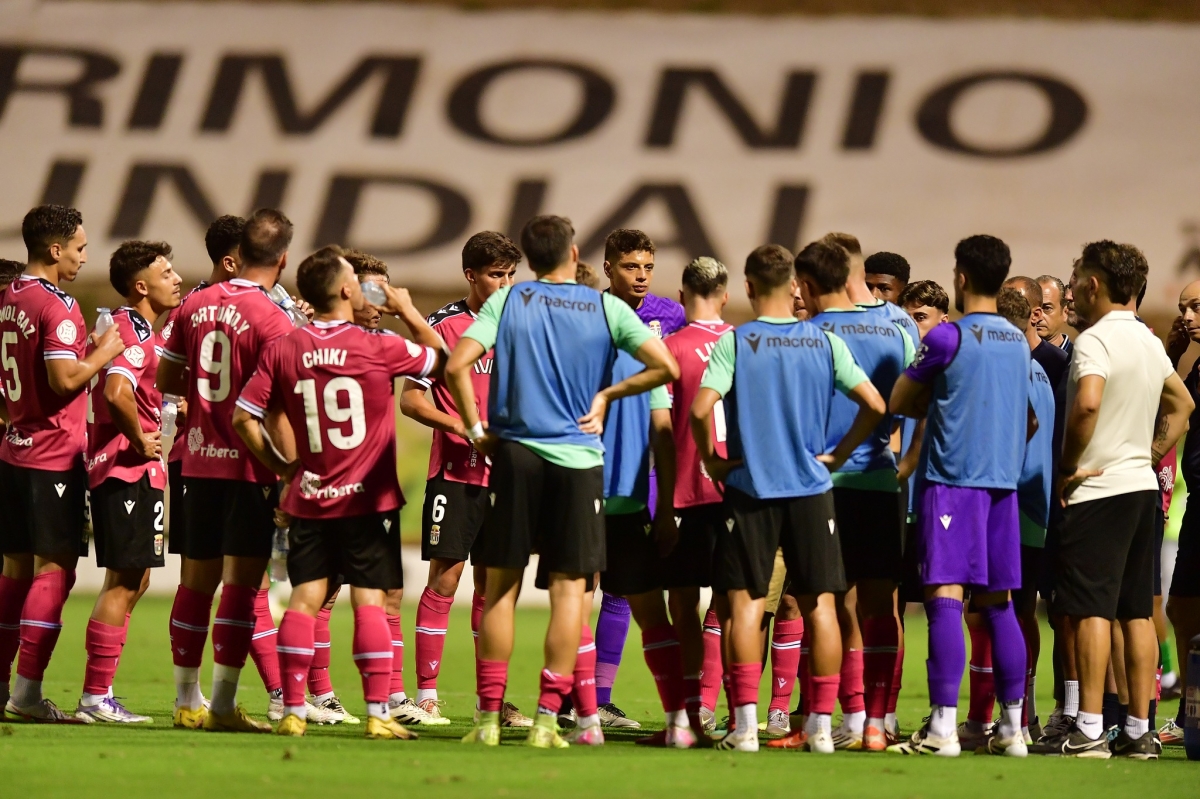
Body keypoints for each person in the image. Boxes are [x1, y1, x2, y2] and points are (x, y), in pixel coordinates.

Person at [450, 215, 678, 749]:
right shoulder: (607, 307)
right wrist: (606, 397)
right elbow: (664, 367)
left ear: (528, 259)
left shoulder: (508, 302)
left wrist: (477, 428)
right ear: (575, 254)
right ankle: (550, 718)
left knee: (500, 588)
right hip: (578, 462)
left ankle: (487, 720)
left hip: (517, 456)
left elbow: (458, 364)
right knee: (570, 591)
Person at [233, 245, 446, 740]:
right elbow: (445, 359)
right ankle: (377, 715)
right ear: (347, 289)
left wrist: (284, 469)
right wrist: (408, 309)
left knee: (305, 599)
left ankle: (291, 709)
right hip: (367, 499)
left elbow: (244, 416)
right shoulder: (379, 345)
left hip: (309, 494)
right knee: (370, 600)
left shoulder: (285, 346)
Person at [690, 244, 885, 753]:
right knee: (821, 604)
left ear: (749, 287)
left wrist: (713, 459)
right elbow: (875, 404)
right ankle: (821, 728)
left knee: (747, 605)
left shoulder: (737, 342)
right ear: (794, 286)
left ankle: (746, 727)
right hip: (813, 489)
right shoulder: (824, 343)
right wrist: (839, 455)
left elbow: (698, 408)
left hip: (753, 488)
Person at [1042, 241, 1193, 759]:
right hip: (1140, 490)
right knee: (1135, 613)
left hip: (1098, 489)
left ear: (1092, 284)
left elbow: (1086, 403)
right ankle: (1137, 730)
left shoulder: (1096, 340)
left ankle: (1087, 730)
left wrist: (1067, 467)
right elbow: (1183, 403)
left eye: (1079, 277)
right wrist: (1148, 455)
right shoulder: (1148, 340)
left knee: (1089, 612)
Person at [889, 234, 1031, 757]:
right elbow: (1031, 418)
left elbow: (902, 398)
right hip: (1002, 487)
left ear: (962, 277)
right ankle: (1013, 731)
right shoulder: (1018, 341)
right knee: (1000, 604)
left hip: (953, 484)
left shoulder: (949, 338)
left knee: (945, 598)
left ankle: (944, 730)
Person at [156, 208, 298, 733]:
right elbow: (277, 408)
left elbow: (166, 374)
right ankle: (220, 705)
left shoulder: (194, 303)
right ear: (282, 258)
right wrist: (289, 473)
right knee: (241, 587)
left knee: (194, 583)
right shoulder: (273, 318)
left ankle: (183, 700)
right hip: (249, 467)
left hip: (195, 460)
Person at [398, 233, 531, 727]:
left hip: (508, 479)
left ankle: (490, 699)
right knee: (446, 578)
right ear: (472, 275)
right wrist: (462, 427)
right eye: (496, 274)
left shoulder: (522, 325)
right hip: (455, 474)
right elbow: (411, 400)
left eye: (511, 274)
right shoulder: (442, 327)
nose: (505, 284)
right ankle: (427, 696)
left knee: (492, 588)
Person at [0, 205, 125, 721]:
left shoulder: (6, 298)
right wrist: (104, 350)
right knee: (55, 571)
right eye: (79, 247)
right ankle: (27, 696)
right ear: (55, 250)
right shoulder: (59, 306)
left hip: (11, 449)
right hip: (52, 456)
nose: (83, 256)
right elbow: (65, 381)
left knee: (13, 571)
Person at [790, 241, 913, 752]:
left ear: (813, 285)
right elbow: (918, 401)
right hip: (882, 481)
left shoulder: (810, 334)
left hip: (826, 482)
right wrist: (900, 458)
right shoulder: (899, 330)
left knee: (828, 601)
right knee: (882, 604)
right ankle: (876, 724)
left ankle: (845, 712)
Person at [75, 241, 182, 723]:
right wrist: (140, 439)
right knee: (122, 579)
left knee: (135, 577)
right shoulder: (128, 330)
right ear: (142, 286)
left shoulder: (142, 332)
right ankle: (95, 698)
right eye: (166, 271)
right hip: (123, 468)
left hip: (138, 469)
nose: (175, 277)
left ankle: (102, 692)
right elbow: (117, 392)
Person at [593, 229, 686, 726]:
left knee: (627, 590)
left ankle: (598, 700)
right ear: (608, 267)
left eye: (648, 266)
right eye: (631, 266)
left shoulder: (671, 316)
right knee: (579, 589)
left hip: (642, 471)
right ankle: (577, 700)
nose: (642, 276)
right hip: (587, 469)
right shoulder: (590, 315)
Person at [658, 257, 734, 736]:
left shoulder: (668, 348)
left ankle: (688, 710)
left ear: (682, 296)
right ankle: (727, 709)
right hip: (737, 492)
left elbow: (662, 431)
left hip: (686, 493)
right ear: (726, 295)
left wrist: (664, 503)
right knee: (731, 606)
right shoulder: (745, 344)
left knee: (681, 602)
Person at [1161, 278, 1200, 745]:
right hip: (1195, 505)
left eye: (1196, 308)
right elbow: (1168, 403)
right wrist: (1170, 355)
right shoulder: (1196, 367)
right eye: (1183, 308)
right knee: (1182, 608)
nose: (1187, 317)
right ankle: (1192, 715)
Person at [1036, 275, 1073, 355]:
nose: (1038, 316)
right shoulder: (1019, 355)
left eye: (1047, 308)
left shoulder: (1076, 357)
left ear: (1065, 313)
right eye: (1034, 308)